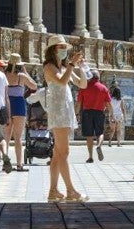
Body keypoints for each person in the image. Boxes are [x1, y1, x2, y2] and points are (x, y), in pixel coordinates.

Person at [43, 34, 88, 202]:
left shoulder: (64, 67)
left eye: (64, 48)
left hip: (66, 111)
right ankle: (71, 191)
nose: (64, 50)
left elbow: (82, 84)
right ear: (53, 50)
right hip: (58, 112)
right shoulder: (49, 67)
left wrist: (81, 68)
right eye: (61, 47)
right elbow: (62, 82)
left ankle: (53, 190)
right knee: (64, 152)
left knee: (57, 154)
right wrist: (71, 65)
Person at [4, 53, 37, 171]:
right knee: (18, 137)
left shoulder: (4, 74)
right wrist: (26, 72)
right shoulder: (22, 76)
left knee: (6, 136)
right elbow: (34, 86)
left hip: (7, 104)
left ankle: (5, 161)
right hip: (19, 105)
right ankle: (19, 165)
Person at [75, 69, 113, 163]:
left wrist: (76, 114)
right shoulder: (104, 88)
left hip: (87, 113)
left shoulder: (84, 87)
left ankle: (90, 157)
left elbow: (78, 103)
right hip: (99, 113)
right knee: (100, 133)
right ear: (98, 77)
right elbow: (108, 104)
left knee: (89, 135)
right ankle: (99, 145)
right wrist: (111, 115)